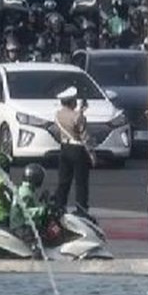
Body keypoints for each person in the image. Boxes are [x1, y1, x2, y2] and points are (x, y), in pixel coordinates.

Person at [53, 86, 95, 217]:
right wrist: (92, 154)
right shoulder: (78, 117)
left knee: (64, 179)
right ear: (71, 101)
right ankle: (81, 208)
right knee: (81, 181)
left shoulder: (58, 115)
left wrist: (81, 111)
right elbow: (84, 136)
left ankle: (60, 205)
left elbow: (69, 123)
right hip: (78, 149)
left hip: (65, 148)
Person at [9, 163, 49, 246]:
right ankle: (36, 257)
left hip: (24, 225)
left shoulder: (27, 189)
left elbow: (32, 205)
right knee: (37, 246)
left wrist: (43, 200)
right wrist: (43, 210)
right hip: (21, 227)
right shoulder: (26, 193)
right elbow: (26, 212)